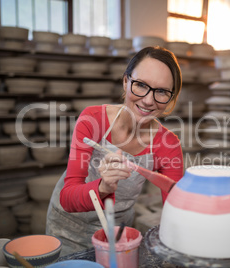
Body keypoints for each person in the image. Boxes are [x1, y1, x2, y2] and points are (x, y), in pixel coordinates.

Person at [46, 46, 184, 256]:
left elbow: (176, 211)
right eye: (140, 85)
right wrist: (103, 187)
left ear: (171, 98)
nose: (148, 100)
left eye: (162, 91)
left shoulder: (168, 144)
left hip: (118, 234)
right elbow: (67, 197)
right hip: (68, 229)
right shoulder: (93, 120)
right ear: (126, 82)